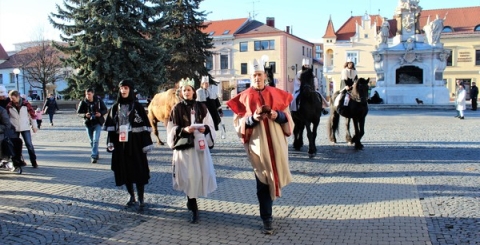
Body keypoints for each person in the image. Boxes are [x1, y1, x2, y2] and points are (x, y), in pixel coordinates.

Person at [226, 58, 293, 234]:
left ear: (265, 76)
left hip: (277, 143)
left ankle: (268, 214)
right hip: (258, 145)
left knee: (273, 174)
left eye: (260, 75)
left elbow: (287, 118)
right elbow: (238, 123)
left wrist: (275, 114)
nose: (257, 78)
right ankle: (267, 218)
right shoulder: (245, 97)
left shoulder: (277, 93)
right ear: (251, 77)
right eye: (254, 75)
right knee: (262, 180)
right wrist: (252, 119)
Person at [167, 78, 217, 224]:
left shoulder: (202, 107)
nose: (186, 92)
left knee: (200, 174)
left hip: (199, 147)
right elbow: (171, 129)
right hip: (185, 147)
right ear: (181, 93)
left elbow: (210, 125)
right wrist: (184, 130)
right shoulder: (176, 108)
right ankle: (192, 204)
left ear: (193, 92)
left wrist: (205, 129)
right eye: (184, 90)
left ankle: (192, 201)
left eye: (189, 90)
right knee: (188, 176)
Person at [104, 80, 153, 211]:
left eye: (126, 88)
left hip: (136, 145)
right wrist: (110, 142)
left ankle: (141, 198)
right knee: (125, 171)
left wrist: (145, 144)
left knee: (139, 171)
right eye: (121, 88)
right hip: (121, 146)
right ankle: (131, 196)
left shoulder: (137, 107)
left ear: (130, 90)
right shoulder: (115, 107)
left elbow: (145, 128)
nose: (123, 90)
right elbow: (110, 129)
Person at [6, 90, 38, 168]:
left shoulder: (26, 104)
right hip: (14, 128)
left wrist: (34, 126)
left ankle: (33, 161)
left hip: (25, 127)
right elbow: (6, 117)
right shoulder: (9, 106)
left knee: (29, 144)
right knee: (15, 145)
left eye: (13, 98)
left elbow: (32, 115)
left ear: (18, 97)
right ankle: (17, 161)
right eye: (10, 98)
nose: (11, 100)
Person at [77, 88, 108, 163]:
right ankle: (96, 152)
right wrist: (85, 115)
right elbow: (78, 113)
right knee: (91, 141)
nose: (88, 96)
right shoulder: (83, 102)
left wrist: (100, 114)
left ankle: (93, 156)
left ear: (93, 94)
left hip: (97, 122)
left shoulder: (98, 101)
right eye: (86, 94)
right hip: (88, 123)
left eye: (89, 94)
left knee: (95, 140)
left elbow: (105, 110)